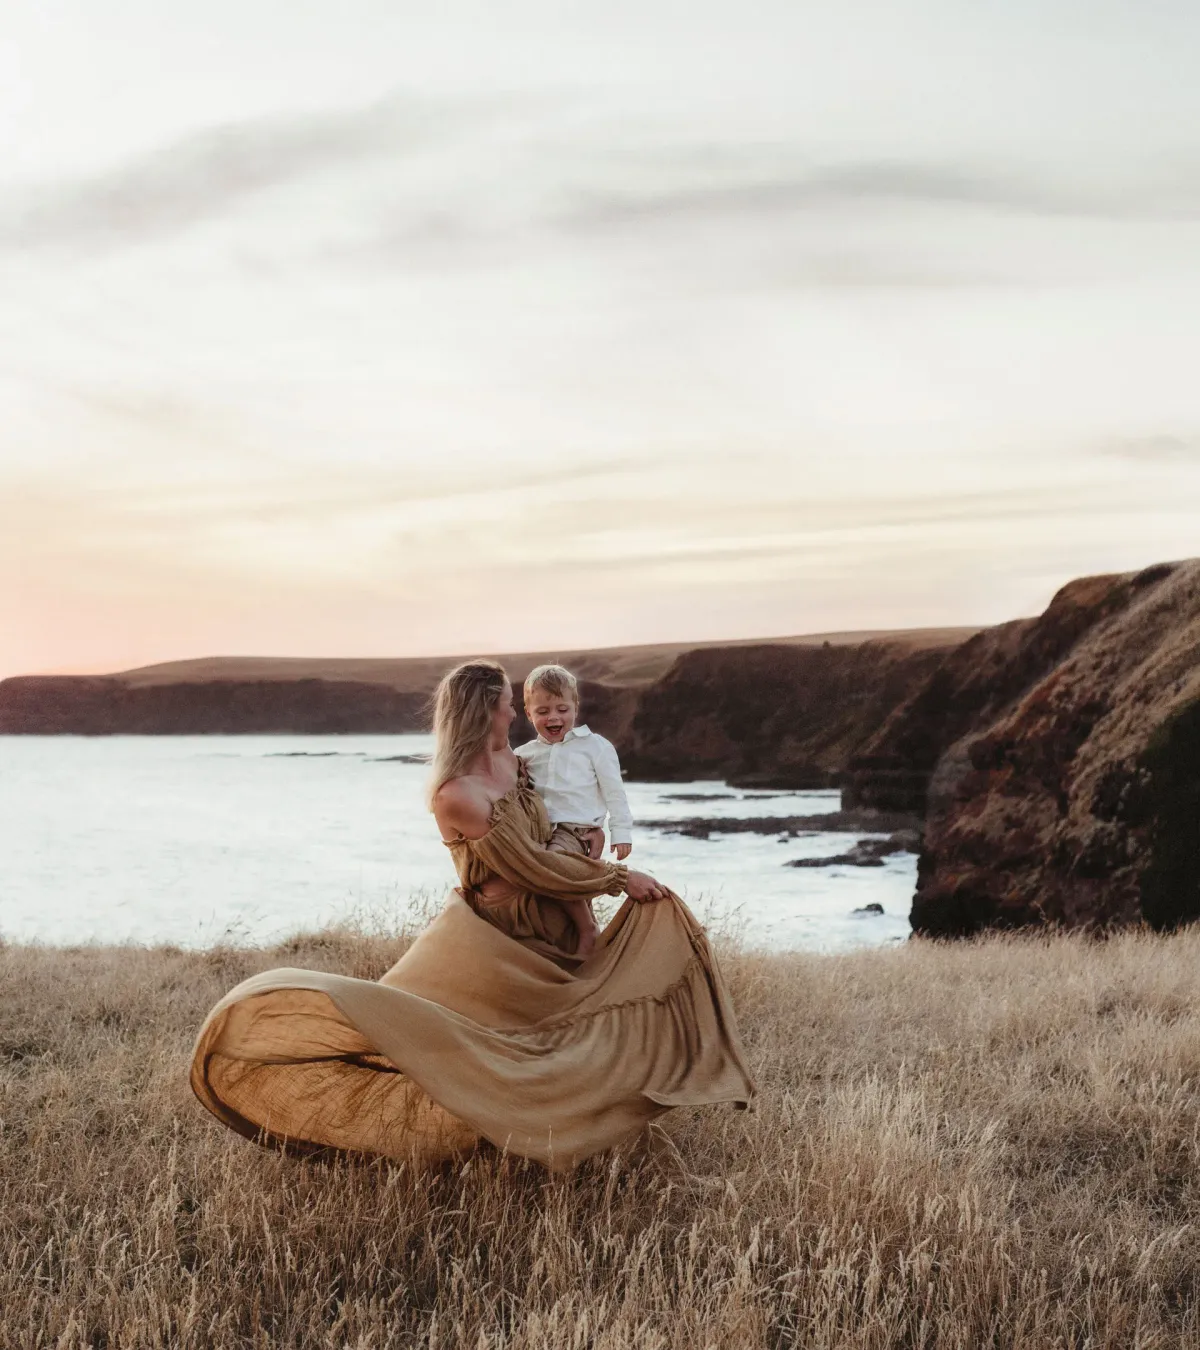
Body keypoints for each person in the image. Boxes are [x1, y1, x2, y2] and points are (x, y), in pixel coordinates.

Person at [190, 659, 754, 1171]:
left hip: (554, 916)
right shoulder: (455, 793)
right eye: (508, 703)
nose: (517, 711)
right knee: (446, 1048)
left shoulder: (516, 760)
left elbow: (560, 818)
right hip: (498, 933)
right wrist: (616, 877)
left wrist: (593, 835)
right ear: (485, 711)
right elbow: (530, 865)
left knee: (553, 1042)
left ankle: (559, 1141)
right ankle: (463, 1145)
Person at [515, 663, 634, 959]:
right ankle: (582, 951)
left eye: (562, 709)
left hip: (577, 830)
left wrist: (620, 833)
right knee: (557, 891)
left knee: (553, 865)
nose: (554, 717)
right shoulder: (524, 754)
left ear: (576, 708)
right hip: (543, 831)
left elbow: (614, 792)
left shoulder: (595, 747)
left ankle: (588, 929)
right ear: (529, 714)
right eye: (543, 711)